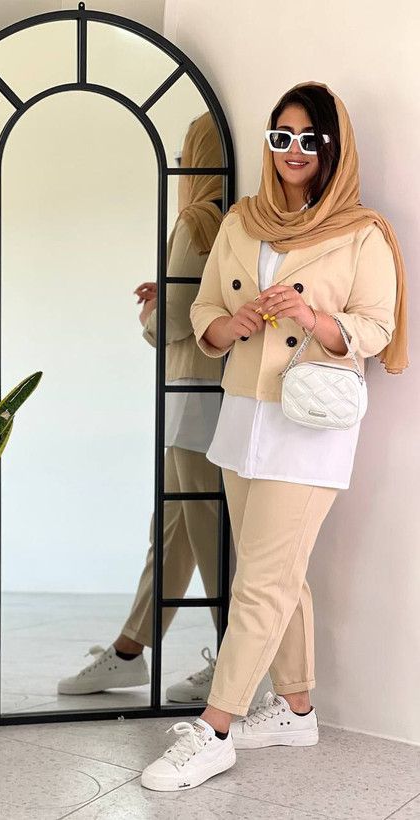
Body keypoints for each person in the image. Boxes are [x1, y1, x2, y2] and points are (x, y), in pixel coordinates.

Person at [141, 80, 408, 792]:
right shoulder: (241, 221)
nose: (293, 150)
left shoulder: (361, 232)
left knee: (260, 579)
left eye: (308, 139)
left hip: (310, 423)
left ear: (333, 147)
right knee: (277, 572)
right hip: (244, 414)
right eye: (281, 136)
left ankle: (214, 730)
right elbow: (204, 309)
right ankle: (295, 710)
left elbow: (377, 326)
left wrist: (312, 318)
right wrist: (230, 326)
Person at [57, 113, 227, 702]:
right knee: (176, 528)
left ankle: (237, 663)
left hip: (194, 398)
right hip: (208, 396)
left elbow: (176, 319)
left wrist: (151, 315)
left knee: (205, 531)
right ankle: (130, 650)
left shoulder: (196, 218)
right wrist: (170, 293)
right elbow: (202, 298)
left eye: (184, 156)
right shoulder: (231, 217)